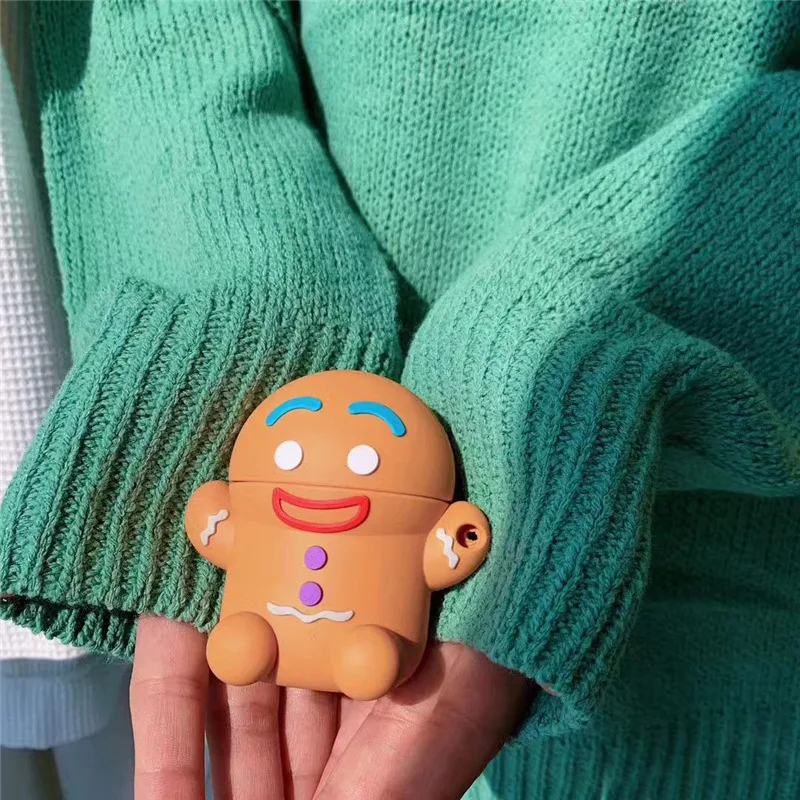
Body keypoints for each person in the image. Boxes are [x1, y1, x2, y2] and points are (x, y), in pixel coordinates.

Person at [1, 2, 798, 799]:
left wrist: (567, 369)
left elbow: (451, 538)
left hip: (723, 647)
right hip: (361, 685)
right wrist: (244, 295)